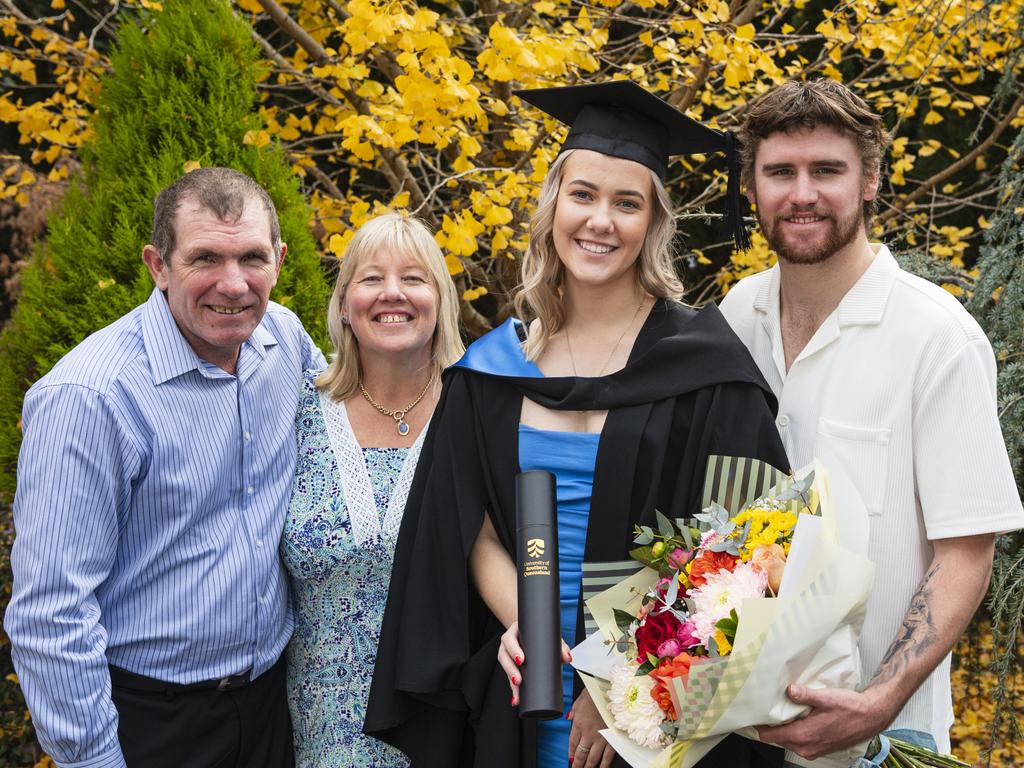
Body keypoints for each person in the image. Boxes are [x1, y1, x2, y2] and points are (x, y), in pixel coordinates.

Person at [366, 81, 791, 768]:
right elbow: (464, 523)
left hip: (662, 712)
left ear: (654, 224)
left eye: (628, 203)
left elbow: (751, 550)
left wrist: (624, 681)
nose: (601, 220)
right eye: (584, 194)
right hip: (524, 696)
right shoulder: (492, 372)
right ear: (553, 207)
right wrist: (519, 620)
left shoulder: (706, 368)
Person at [717, 79, 1024, 765]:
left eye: (827, 171)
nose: (802, 194)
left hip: (885, 735)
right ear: (751, 187)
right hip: (738, 731)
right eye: (780, 173)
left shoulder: (938, 337)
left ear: (870, 181)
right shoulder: (736, 318)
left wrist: (879, 700)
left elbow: (965, 554)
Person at [6, 167, 325, 768]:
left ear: (279, 260)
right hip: (152, 724)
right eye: (205, 258)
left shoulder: (284, 341)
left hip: (272, 708)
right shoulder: (90, 396)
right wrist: (94, 758)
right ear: (158, 264)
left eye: (252, 258)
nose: (233, 285)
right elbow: (52, 612)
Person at [282, 212, 464, 766]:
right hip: (320, 733)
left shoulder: (476, 413)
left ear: (441, 300)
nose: (393, 293)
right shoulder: (296, 413)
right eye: (370, 278)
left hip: (446, 726)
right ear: (343, 303)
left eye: (414, 278)